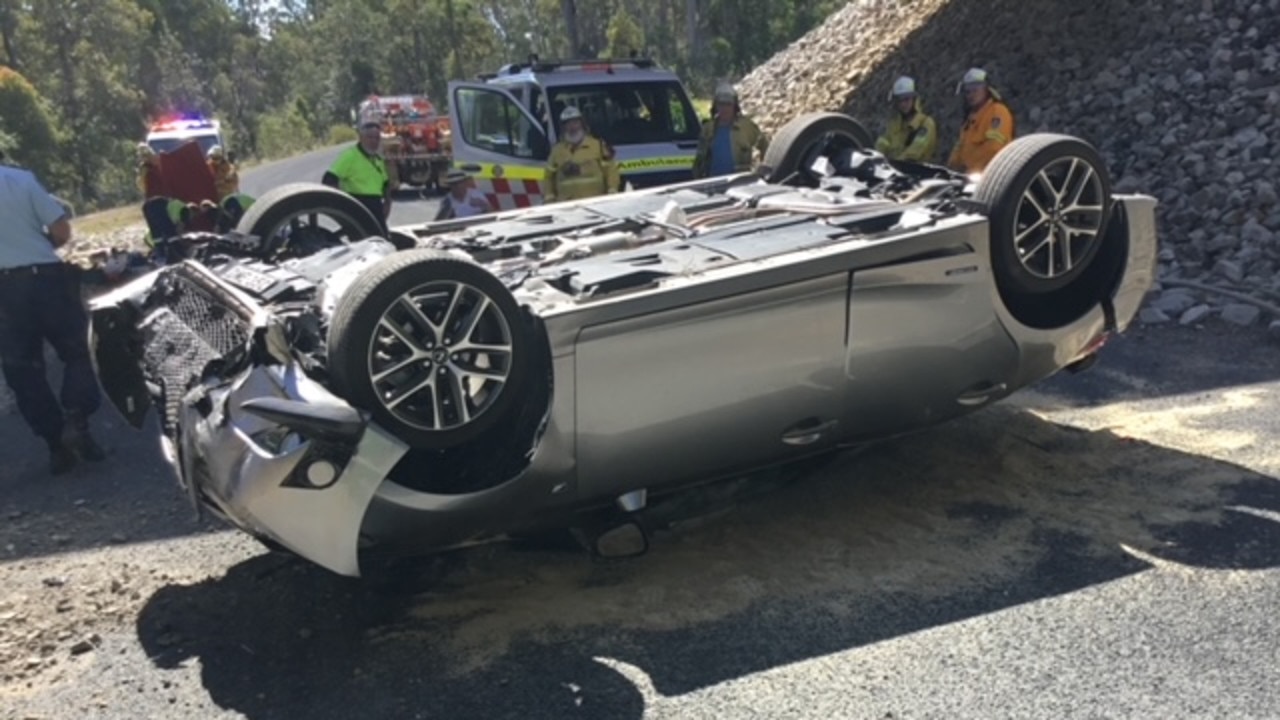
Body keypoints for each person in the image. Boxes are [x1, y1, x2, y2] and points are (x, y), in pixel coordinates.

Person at [0, 161, 105, 474]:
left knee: (22, 369)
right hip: (46, 279)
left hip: (4, 295)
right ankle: (77, 416)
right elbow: (61, 230)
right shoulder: (20, 180)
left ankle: (54, 442)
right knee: (77, 351)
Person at [322, 120, 392, 235]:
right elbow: (329, 179)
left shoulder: (377, 159)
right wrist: (343, 204)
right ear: (361, 138)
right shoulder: (350, 156)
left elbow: (385, 184)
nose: (374, 141)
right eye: (370, 137)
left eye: (377, 138)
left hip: (376, 205)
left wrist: (388, 203)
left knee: (383, 241)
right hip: (357, 203)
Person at [692, 83, 770, 179]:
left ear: (735, 106)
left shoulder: (746, 127)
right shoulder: (708, 129)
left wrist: (763, 169)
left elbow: (765, 145)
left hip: (740, 184)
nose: (724, 108)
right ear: (715, 106)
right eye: (721, 104)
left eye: (728, 104)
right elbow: (699, 160)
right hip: (713, 183)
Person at [947, 67, 1016, 174]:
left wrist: (971, 170)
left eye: (975, 89)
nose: (971, 94)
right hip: (970, 177)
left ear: (987, 89)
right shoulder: (969, 121)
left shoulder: (997, 111)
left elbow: (994, 148)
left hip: (992, 176)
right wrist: (951, 169)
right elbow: (959, 150)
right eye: (967, 91)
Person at [545, 106, 621, 203]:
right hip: (566, 205)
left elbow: (611, 170)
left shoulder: (597, 146)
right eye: (568, 124)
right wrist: (549, 197)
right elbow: (548, 177)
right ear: (563, 127)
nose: (572, 127)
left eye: (575, 122)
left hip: (595, 202)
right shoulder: (557, 150)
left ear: (582, 124)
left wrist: (612, 190)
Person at [874, 76, 938, 163]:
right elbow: (882, 144)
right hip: (894, 171)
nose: (903, 104)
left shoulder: (925, 123)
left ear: (914, 99)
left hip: (917, 172)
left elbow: (914, 153)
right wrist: (875, 157)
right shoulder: (894, 124)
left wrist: (893, 164)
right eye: (899, 100)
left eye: (907, 99)